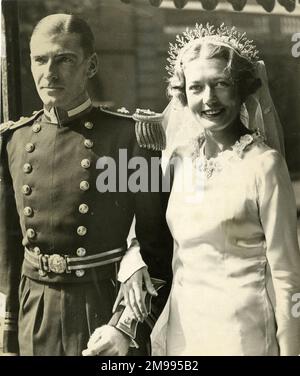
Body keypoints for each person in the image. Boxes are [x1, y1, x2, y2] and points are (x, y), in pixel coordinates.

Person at [101, 23, 300, 356]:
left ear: (241, 89)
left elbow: (287, 276)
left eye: (221, 84)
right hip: (184, 333)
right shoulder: (177, 159)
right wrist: (133, 260)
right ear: (183, 95)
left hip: (243, 335)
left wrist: (292, 350)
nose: (209, 99)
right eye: (196, 87)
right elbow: (151, 231)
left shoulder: (264, 165)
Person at [0, 13, 172, 356]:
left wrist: (125, 328)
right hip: (35, 312)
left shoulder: (128, 139)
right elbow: (9, 250)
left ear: (91, 66)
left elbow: (158, 248)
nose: (50, 72)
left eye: (65, 59)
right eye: (40, 60)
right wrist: (8, 332)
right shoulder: (13, 141)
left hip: (103, 308)